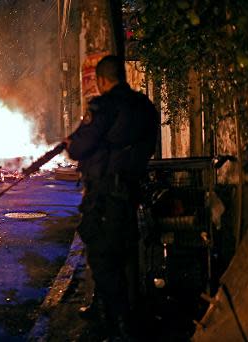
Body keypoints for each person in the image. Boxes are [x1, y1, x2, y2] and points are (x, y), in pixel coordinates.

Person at [65, 55, 159, 340]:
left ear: (101, 80)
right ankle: (117, 313)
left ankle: (120, 325)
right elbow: (148, 146)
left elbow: (79, 146)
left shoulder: (103, 106)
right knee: (125, 254)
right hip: (131, 191)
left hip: (105, 195)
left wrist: (73, 142)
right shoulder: (145, 106)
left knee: (103, 257)